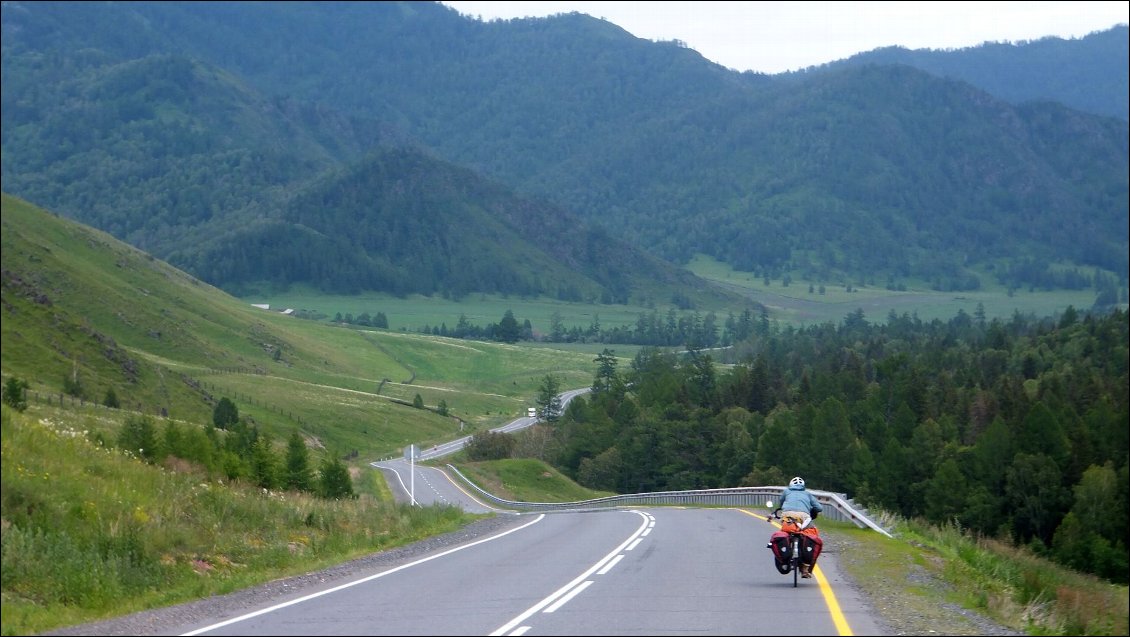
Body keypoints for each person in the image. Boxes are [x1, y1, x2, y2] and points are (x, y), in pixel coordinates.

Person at [775, 476, 824, 578]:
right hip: (803, 516)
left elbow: (780, 503)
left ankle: (787, 551)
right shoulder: (807, 494)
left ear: (790, 485)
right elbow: (819, 508)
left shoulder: (786, 492)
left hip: (788, 516)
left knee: (786, 532)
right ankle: (806, 568)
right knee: (810, 533)